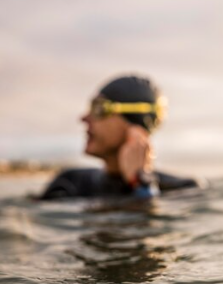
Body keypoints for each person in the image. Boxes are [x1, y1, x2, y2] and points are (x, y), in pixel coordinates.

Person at [40, 74, 198, 200]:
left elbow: (151, 233)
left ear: (135, 125)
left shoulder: (185, 189)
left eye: (99, 108)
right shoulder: (69, 182)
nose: (84, 118)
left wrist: (141, 184)